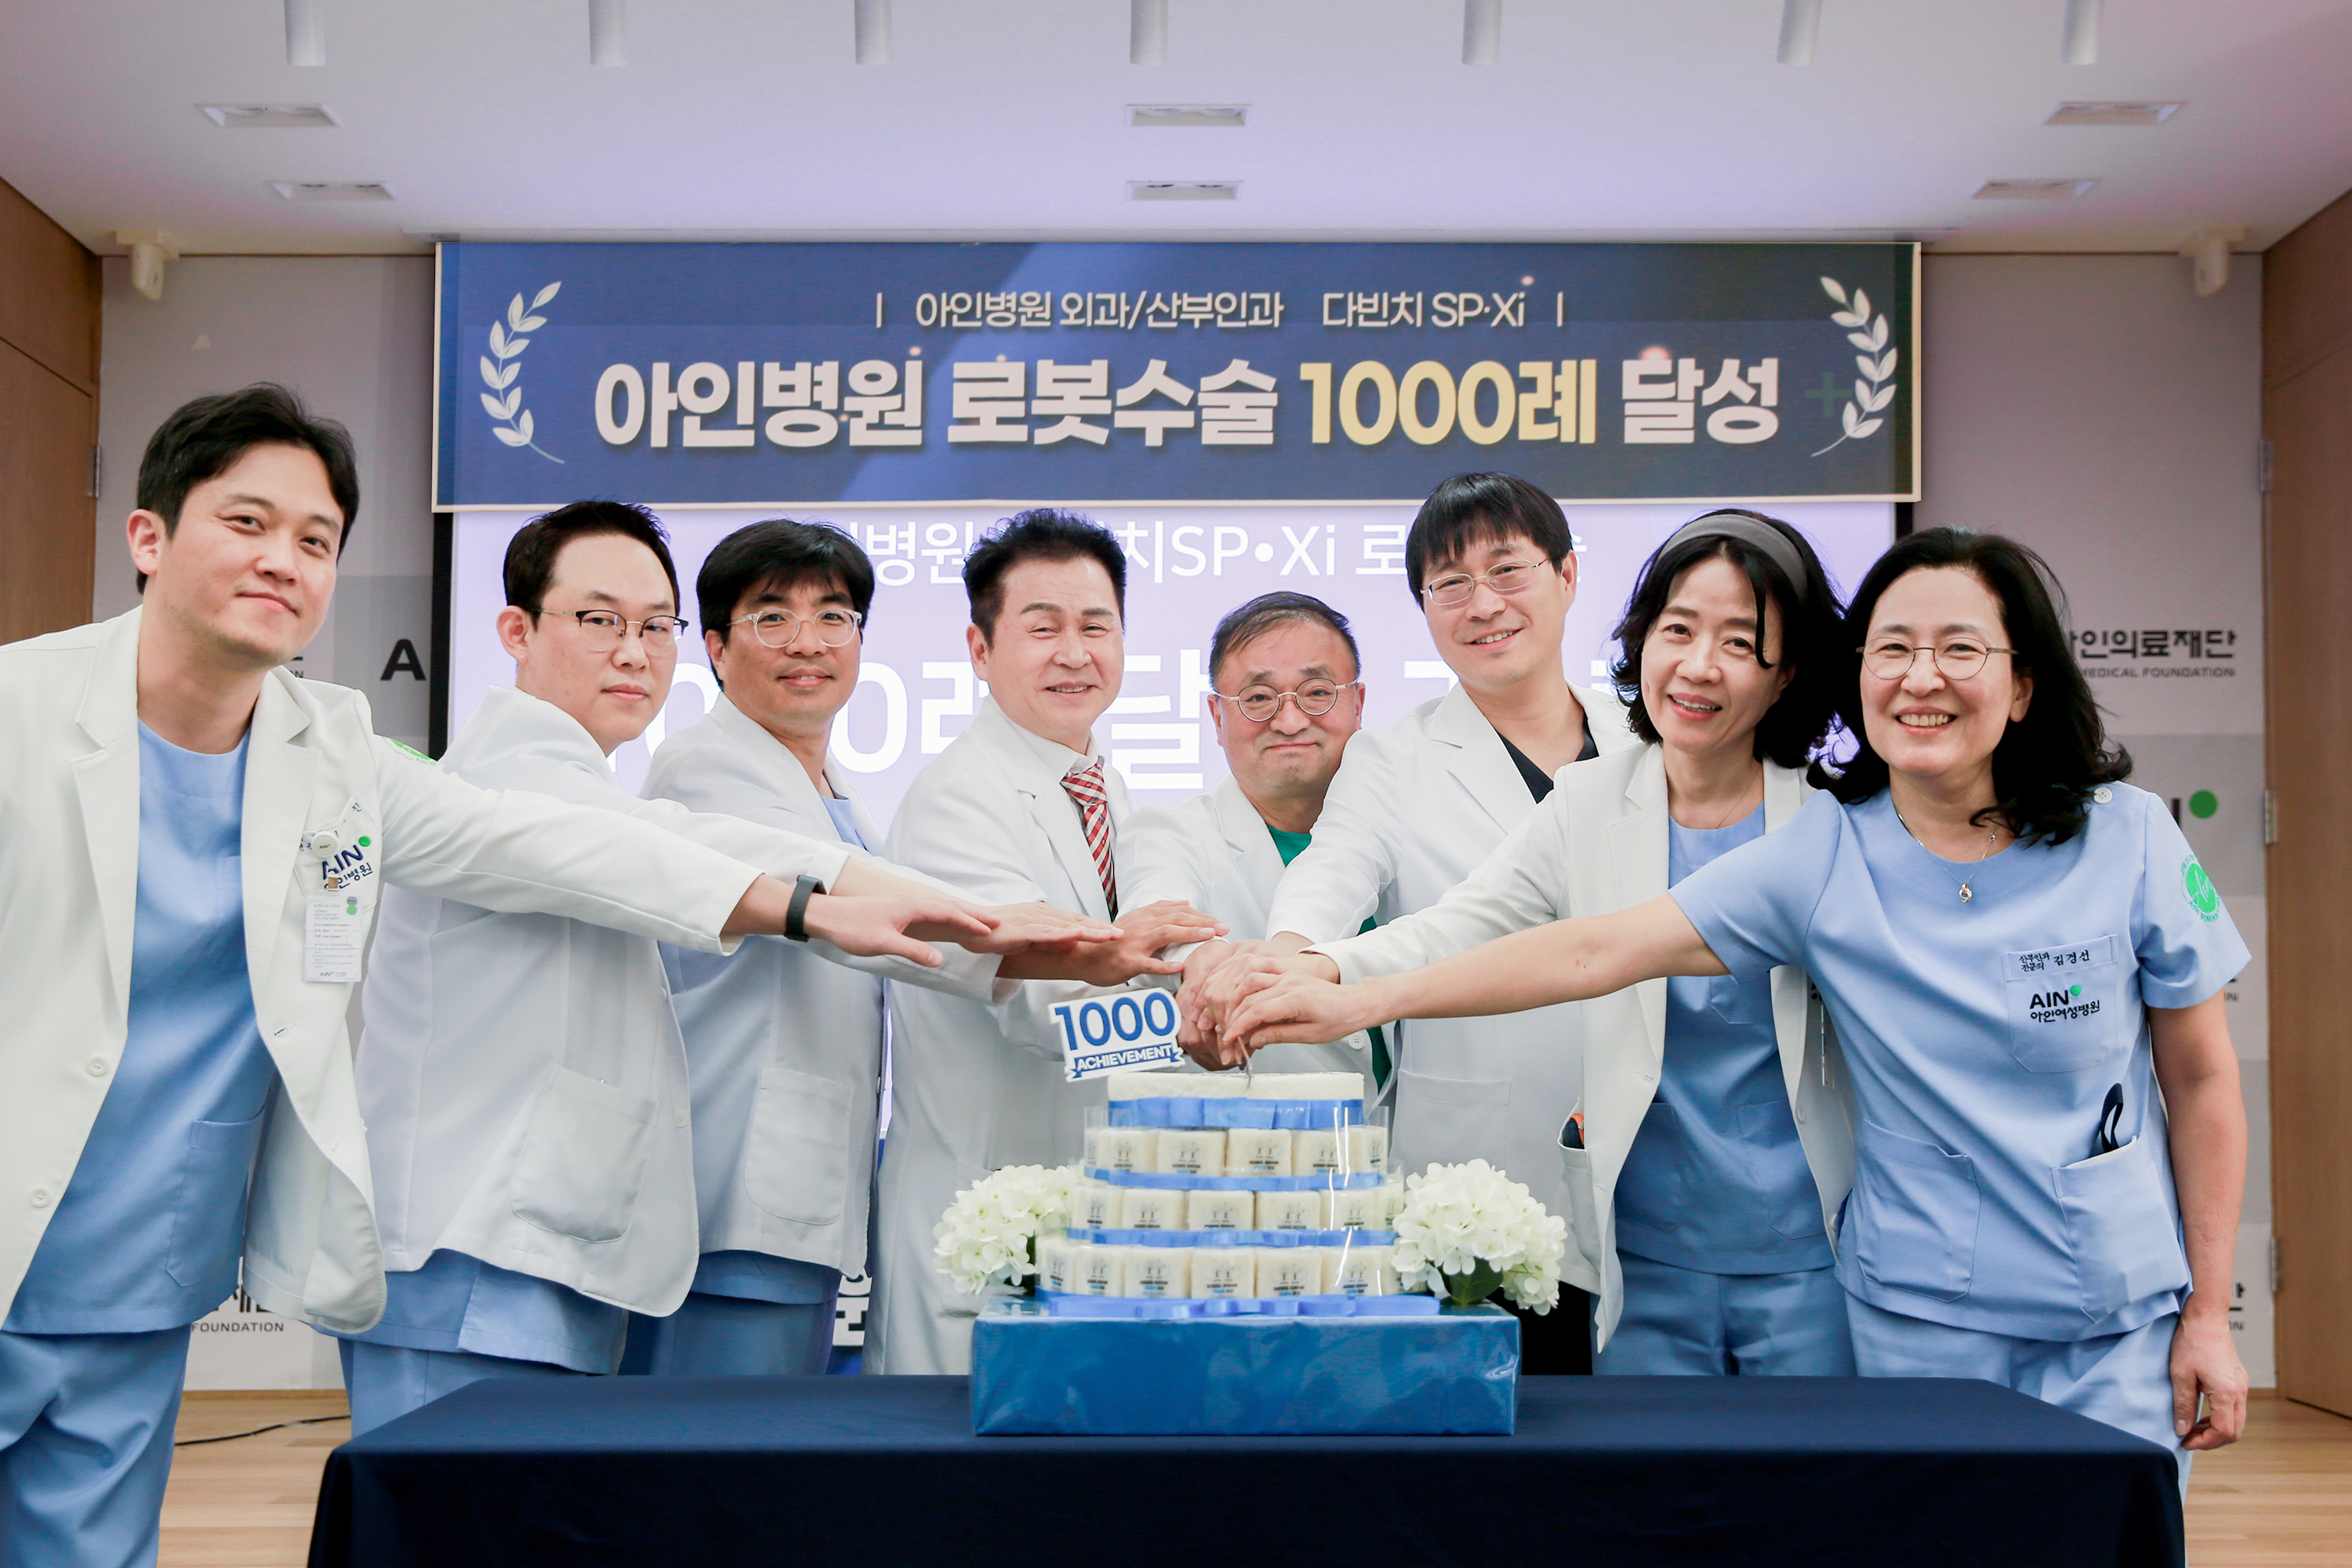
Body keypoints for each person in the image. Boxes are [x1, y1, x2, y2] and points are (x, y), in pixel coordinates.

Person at [0, 387, 980, 1568]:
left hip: (146, 1256)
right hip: (79, 1221)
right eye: (247, 523)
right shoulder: (21, 711)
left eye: (315, 539)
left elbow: (556, 845)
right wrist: (819, 904)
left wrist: (814, 905)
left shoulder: (332, 749)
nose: (283, 561)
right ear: (148, 536)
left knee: (91, 1550)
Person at [1222, 527, 2250, 1476]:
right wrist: (1347, 988)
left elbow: (2203, 1078)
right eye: (1894, 649)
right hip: (1902, 1306)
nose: (1921, 676)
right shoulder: (1827, 853)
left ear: (2022, 684)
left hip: (2083, 1305)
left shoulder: (2111, 835)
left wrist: (2210, 1310)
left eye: (1959, 650)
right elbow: (1587, 949)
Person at [338, 505, 1107, 1428]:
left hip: (610, 1222)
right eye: (599, 620)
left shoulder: (746, 789)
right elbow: (690, 850)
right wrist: (1134, 1000)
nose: (632, 650)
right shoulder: (599, 772)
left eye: (649, 625)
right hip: (593, 1219)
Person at [1225, 513, 1858, 1375]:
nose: (1699, 664)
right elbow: (1459, 924)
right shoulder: (1587, 800)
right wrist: (1319, 966)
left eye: (1741, 642)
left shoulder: (1831, 822)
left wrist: (1346, 993)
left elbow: (1589, 954)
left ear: (1787, 673)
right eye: (1678, 630)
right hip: (1641, 1248)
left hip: (1807, 1248)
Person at [627, 520, 1139, 1377]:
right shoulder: (715, 771)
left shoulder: (1093, 787)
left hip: (812, 1191)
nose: (808, 642)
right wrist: (1189, 1027)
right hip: (742, 1191)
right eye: (772, 618)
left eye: (833, 617)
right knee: (720, 1446)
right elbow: (1030, 999)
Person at [1196, 471, 1640, 1373]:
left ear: (1567, 575)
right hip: (1482, 1177)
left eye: (1508, 570)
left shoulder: (1646, 737)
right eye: (1450, 584)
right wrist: (1289, 956)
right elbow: (1332, 869)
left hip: (1648, 1155)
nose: (1484, 604)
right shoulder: (1393, 759)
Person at [866, 510, 1224, 1375]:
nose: (1075, 653)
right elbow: (1046, 1009)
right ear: (980, 649)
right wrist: (1196, 1023)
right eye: (1043, 628)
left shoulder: (1102, 785)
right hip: (983, 1220)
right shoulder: (957, 798)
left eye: (1096, 626)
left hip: (1087, 1219)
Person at [1120, 592, 1381, 1080]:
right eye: (1258, 698)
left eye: (1317, 692)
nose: (1290, 721)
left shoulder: (1404, 824)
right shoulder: (1170, 834)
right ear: (1217, 717)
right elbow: (1159, 913)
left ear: (1358, 704)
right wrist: (1201, 963)